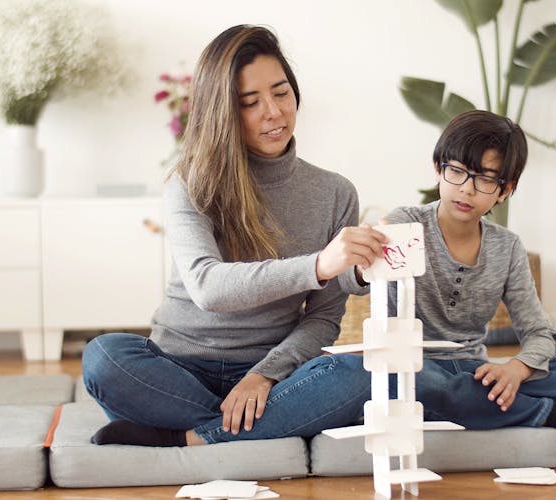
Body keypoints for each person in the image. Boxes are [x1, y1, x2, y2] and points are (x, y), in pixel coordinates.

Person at [82, 25, 386, 447]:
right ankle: (261, 428)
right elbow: (208, 288)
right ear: (222, 110)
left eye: (281, 93)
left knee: (361, 374)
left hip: (273, 374)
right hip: (179, 369)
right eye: (250, 102)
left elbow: (323, 319)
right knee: (104, 356)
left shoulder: (335, 193)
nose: (274, 112)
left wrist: (265, 374)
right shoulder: (190, 182)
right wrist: (318, 265)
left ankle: (188, 438)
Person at [345, 110, 556, 438]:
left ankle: (477, 404)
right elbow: (352, 283)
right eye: (458, 172)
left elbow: (539, 331)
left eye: (485, 179)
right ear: (438, 169)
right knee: (395, 379)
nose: (467, 189)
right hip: (417, 368)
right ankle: (546, 414)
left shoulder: (506, 247)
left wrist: (516, 370)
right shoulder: (406, 223)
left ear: (505, 190)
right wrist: (364, 264)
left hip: (476, 372)